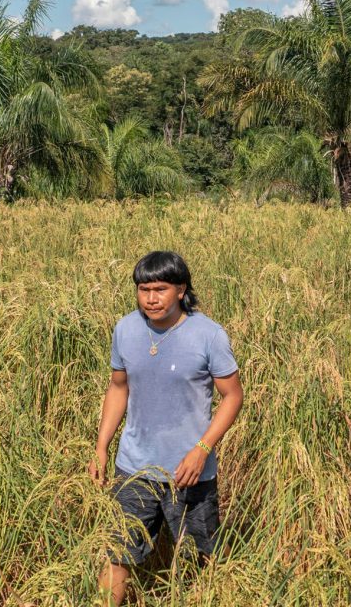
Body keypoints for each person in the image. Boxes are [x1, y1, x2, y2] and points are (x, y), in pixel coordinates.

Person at [89, 250, 245, 606]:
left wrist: (201, 450)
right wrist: (102, 446)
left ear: (181, 289)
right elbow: (118, 387)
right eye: (144, 290)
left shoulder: (209, 335)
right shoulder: (126, 329)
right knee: (117, 554)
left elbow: (233, 397)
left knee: (201, 559)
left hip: (189, 473)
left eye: (160, 289)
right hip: (134, 468)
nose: (151, 299)